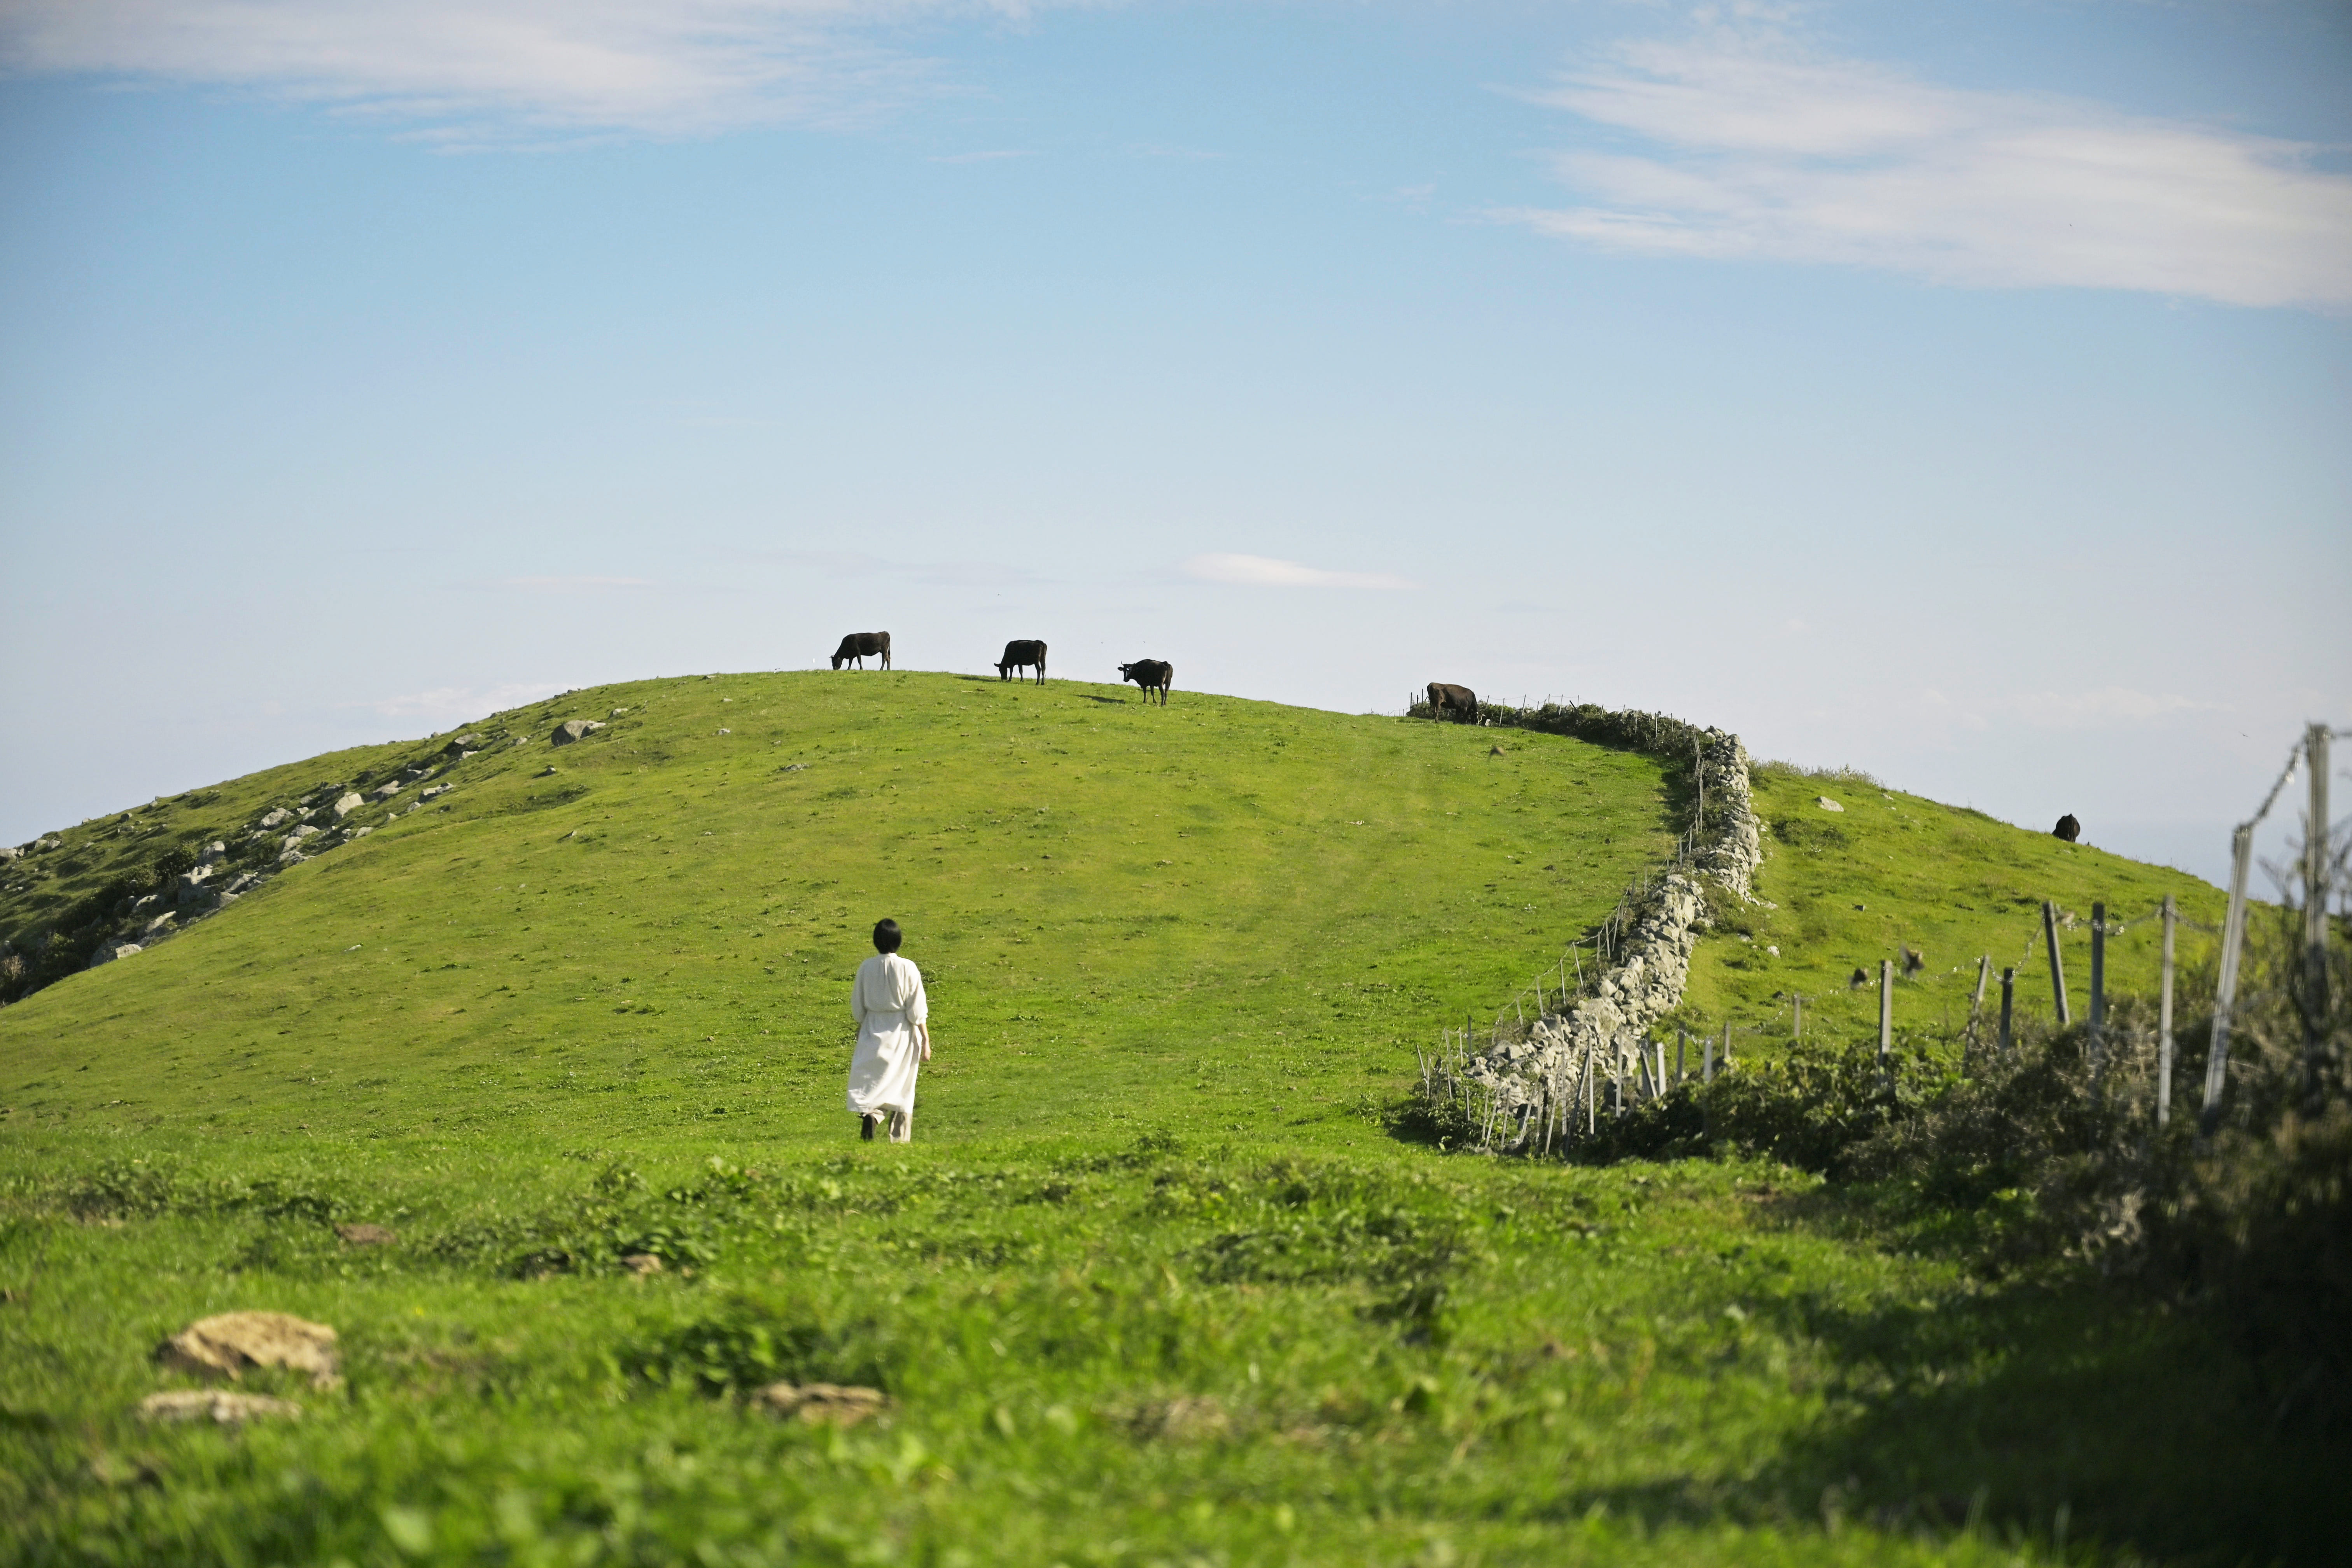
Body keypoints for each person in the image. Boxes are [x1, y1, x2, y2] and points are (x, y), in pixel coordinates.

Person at [847, 918, 930, 1143]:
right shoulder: (908, 967)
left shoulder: (866, 967)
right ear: (898, 940)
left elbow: (858, 1006)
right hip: (902, 1031)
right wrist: (926, 1038)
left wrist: (864, 1025)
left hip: (873, 1029)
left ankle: (872, 1116)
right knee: (903, 1084)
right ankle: (899, 1139)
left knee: (877, 1081)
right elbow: (916, 1009)